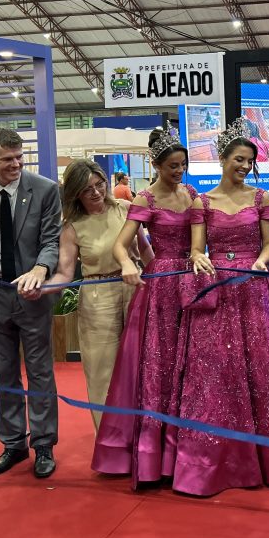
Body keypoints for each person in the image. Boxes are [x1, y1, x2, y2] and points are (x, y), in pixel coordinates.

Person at [167, 118, 269, 496]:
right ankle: (210, 462)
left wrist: (261, 260)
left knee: (259, 365)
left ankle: (268, 460)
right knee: (214, 368)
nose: (244, 166)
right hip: (217, 288)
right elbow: (196, 248)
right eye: (238, 159)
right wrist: (198, 258)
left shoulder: (262, 198)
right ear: (223, 158)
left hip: (253, 286)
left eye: (249, 161)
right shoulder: (202, 202)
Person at [92, 132, 195, 487]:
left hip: (192, 280)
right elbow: (121, 245)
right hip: (162, 284)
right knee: (160, 363)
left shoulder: (191, 193)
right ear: (156, 165)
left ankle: (187, 445)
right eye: (172, 166)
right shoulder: (145, 197)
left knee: (190, 360)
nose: (179, 171)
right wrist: (127, 264)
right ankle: (155, 451)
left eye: (183, 165)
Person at [0, 128, 62, 479]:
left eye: (19, 157)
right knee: (4, 373)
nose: (16, 164)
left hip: (32, 294)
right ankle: (13, 444)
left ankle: (44, 445)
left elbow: (52, 240)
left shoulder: (45, 189)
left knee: (39, 372)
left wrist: (40, 269)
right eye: (7, 159)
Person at [22, 160, 144, 431]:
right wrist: (40, 287)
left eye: (99, 184)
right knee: (102, 371)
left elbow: (146, 252)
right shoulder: (72, 227)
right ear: (75, 193)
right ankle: (110, 439)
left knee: (142, 365)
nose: (96, 192)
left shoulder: (126, 208)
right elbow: (65, 274)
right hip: (97, 297)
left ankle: (143, 437)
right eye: (87, 189)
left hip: (136, 290)